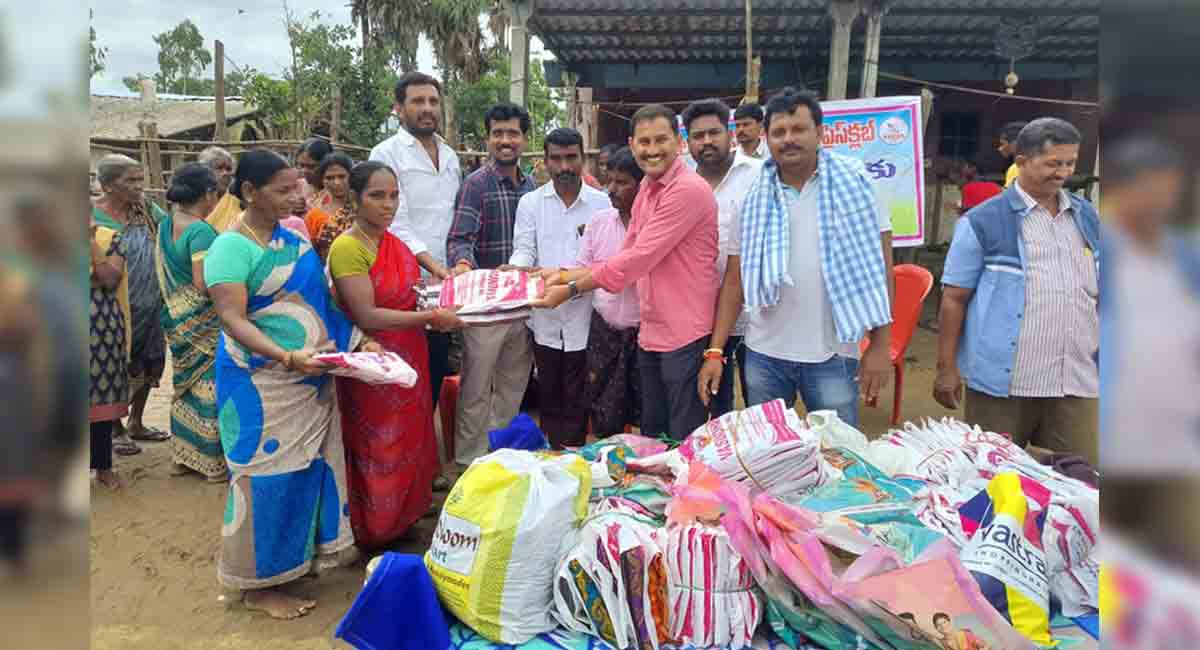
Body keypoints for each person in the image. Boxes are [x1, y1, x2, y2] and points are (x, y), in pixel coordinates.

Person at [204, 149, 376, 618]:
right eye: (283, 190)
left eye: (296, 186)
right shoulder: (230, 248)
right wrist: (286, 356)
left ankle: (292, 565)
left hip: (308, 381)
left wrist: (361, 343)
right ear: (249, 192)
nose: (295, 196)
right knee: (264, 481)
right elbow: (231, 318)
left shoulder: (295, 242)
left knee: (305, 473)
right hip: (259, 387)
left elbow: (321, 308)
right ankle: (258, 588)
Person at [700, 87, 895, 428]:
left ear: (819, 133)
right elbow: (734, 281)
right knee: (771, 455)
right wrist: (716, 350)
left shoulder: (857, 184)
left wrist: (880, 345)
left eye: (798, 129)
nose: (788, 139)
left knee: (838, 457)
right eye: (779, 132)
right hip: (765, 356)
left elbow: (881, 268)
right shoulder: (752, 196)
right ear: (767, 137)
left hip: (834, 353)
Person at [535, 104, 720, 440]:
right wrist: (562, 274)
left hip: (683, 332)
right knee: (652, 432)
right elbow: (624, 253)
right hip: (650, 330)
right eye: (644, 142)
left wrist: (570, 287)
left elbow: (637, 259)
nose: (652, 150)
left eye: (661, 140)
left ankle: (683, 493)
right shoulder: (648, 188)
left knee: (682, 436)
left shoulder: (687, 190)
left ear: (677, 142)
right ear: (632, 145)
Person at [935, 118, 1099, 464]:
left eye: (1070, 163)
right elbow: (954, 298)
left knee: (1079, 482)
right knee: (994, 478)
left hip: (1075, 379)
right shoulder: (983, 221)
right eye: (1053, 163)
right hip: (1004, 383)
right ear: (1021, 162)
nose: (1063, 172)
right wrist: (946, 368)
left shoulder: (1087, 218)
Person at [328, 161, 464, 548]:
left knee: (411, 437)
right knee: (378, 443)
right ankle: (376, 528)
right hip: (376, 361)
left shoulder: (395, 243)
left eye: (393, 196)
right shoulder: (348, 248)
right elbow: (365, 313)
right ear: (355, 199)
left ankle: (405, 516)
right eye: (376, 196)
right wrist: (431, 316)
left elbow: (412, 291)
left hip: (411, 352)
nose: (387, 205)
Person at [1098, 136, 1200, 473]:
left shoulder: (1185, 255)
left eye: (1169, 191)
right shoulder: (1103, 251)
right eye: (1151, 190)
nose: (1162, 202)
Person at [369, 71, 462, 441]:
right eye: (417, 101)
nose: (427, 109)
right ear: (398, 108)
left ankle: (422, 460)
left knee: (435, 371)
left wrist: (455, 266)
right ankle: (398, 464)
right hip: (402, 283)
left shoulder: (451, 155)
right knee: (400, 379)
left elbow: (455, 219)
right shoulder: (386, 154)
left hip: (444, 287)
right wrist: (435, 267)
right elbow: (396, 220)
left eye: (433, 101)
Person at [446, 102, 537, 464]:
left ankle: (500, 458)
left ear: (524, 139)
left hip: (523, 308)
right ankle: (469, 465)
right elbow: (459, 237)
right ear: (488, 139)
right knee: (475, 389)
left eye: (512, 133)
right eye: (498, 133)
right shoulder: (475, 185)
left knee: (514, 386)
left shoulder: (532, 186)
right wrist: (464, 264)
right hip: (485, 310)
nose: (505, 140)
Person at [506, 128, 609, 449]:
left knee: (581, 396)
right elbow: (524, 248)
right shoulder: (530, 203)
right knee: (548, 393)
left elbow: (607, 262)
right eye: (557, 159)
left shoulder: (602, 204)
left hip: (588, 316)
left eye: (571, 158)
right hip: (544, 317)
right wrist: (517, 268)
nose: (564, 166)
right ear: (544, 162)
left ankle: (576, 460)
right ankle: (551, 458)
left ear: (582, 159)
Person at [682, 98, 762, 416]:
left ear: (730, 134)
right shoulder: (682, 183)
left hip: (755, 315)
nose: (707, 142)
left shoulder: (759, 174)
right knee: (715, 405)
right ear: (687, 142)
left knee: (760, 403)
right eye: (698, 136)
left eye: (714, 133)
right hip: (701, 317)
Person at [92, 154, 169, 453]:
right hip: (110, 305)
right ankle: (115, 428)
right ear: (108, 186)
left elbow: (173, 232)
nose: (140, 186)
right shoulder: (91, 215)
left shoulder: (146, 209)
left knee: (149, 361)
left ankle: (136, 421)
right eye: (131, 180)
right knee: (112, 366)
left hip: (150, 301)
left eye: (141, 179)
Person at [157, 163, 228, 482]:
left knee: (185, 383)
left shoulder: (166, 223)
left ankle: (183, 457)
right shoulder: (200, 230)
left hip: (175, 315)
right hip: (201, 319)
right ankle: (211, 461)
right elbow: (203, 283)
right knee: (209, 385)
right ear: (208, 193)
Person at [577, 146, 644, 437]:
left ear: (643, 186)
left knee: (648, 409)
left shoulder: (654, 227)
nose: (612, 189)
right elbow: (582, 268)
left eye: (622, 182)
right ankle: (610, 470)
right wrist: (551, 277)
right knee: (604, 407)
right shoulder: (599, 222)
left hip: (645, 334)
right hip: (604, 332)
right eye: (610, 181)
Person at [90, 204, 128, 490]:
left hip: (100, 326)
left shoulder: (108, 237)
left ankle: (103, 466)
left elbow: (110, 280)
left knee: (100, 398)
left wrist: (89, 242)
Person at [304, 152, 356, 261]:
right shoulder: (314, 216)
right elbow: (311, 254)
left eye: (342, 176)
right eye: (329, 178)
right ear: (322, 180)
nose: (336, 182)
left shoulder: (363, 210)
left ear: (351, 176)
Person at [200, 146, 241, 232]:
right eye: (219, 168)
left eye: (228, 169)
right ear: (205, 170)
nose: (225, 173)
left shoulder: (237, 202)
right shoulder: (196, 202)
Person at [295, 138, 335, 208]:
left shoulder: (337, 192)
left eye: (311, 166)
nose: (304, 171)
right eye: (301, 165)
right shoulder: (297, 187)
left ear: (326, 165)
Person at [997, 121, 1027, 187]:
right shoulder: (1037, 165)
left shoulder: (1016, 168)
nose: (1000, 148)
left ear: (1015, 144)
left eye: (1002, 144)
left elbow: (1009, 196)